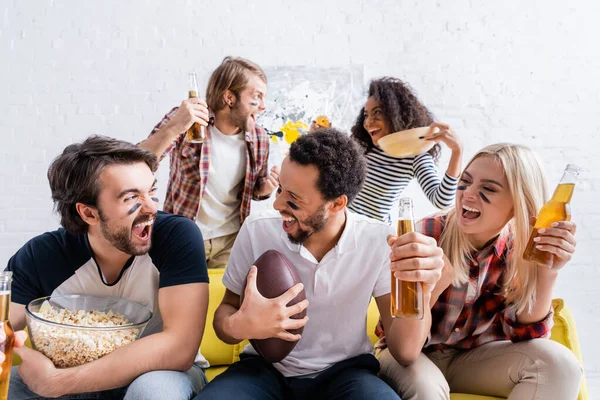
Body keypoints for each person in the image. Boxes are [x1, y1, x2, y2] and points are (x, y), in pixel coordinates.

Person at [193, 128, 444, 400]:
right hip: (262, 369)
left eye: (293, 200)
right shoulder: (257, 230)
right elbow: (226, 312)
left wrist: (423, 289)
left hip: (346, 374)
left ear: (336, 204)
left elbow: (405, 352)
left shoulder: (378, 241)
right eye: (280, 190)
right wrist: (240, 325)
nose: (277, 204)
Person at [5, 136, 210, 400]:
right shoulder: (41, 255)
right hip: (74, 373)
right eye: (131, 197)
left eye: (151, 191)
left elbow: (179, 348)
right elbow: (5, 328)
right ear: (88, 213)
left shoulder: (176, 236)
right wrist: (22, 353)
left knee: (152, 393)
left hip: (160, 371)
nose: (151, 208)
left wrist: (56, 382)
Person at [375, 143, 583, 399]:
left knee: (561, 365)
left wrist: (547, 271)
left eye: (488, 189)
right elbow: (405, 351)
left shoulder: (519, 249)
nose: (468, 195)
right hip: (414, 355)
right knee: (426, 389)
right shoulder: (426, 235)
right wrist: (434, 286)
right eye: (465, 182)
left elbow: (526, 335)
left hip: (471, 359)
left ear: (518, 203)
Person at [140, 56, 278, 269]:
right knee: (178, 301)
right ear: (230, 98)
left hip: (231, 241)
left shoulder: (259, 138)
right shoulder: (190, 121)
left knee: (222, 301)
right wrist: (175, 126)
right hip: (184, 236)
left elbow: (254, 191)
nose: (263, 106)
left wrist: (265, 188)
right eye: (257, 97)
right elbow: (138, 163)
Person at [349, 77, 462, 223]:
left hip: (372, 235)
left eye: (377, 113)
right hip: (339, 228)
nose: (368, 122)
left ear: (395, 115)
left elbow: (442, 201)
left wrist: (457, 151)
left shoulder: (414, 156)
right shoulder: (361, 144)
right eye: (366, 115)